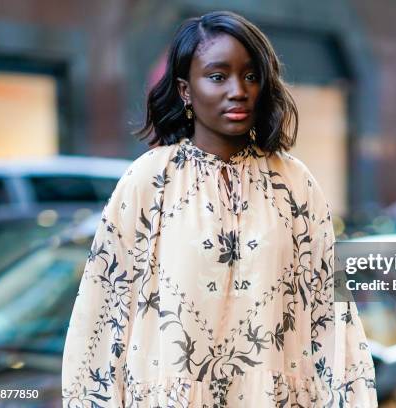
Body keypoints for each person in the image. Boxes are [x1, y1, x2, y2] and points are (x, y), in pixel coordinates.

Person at [62, 11, 377, 407]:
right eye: (217, 76)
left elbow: (331, 316)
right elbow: (102, 314)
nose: (238, 90)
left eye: (250, 76)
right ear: (185, 89)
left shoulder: (296, 184)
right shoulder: (148, 181)